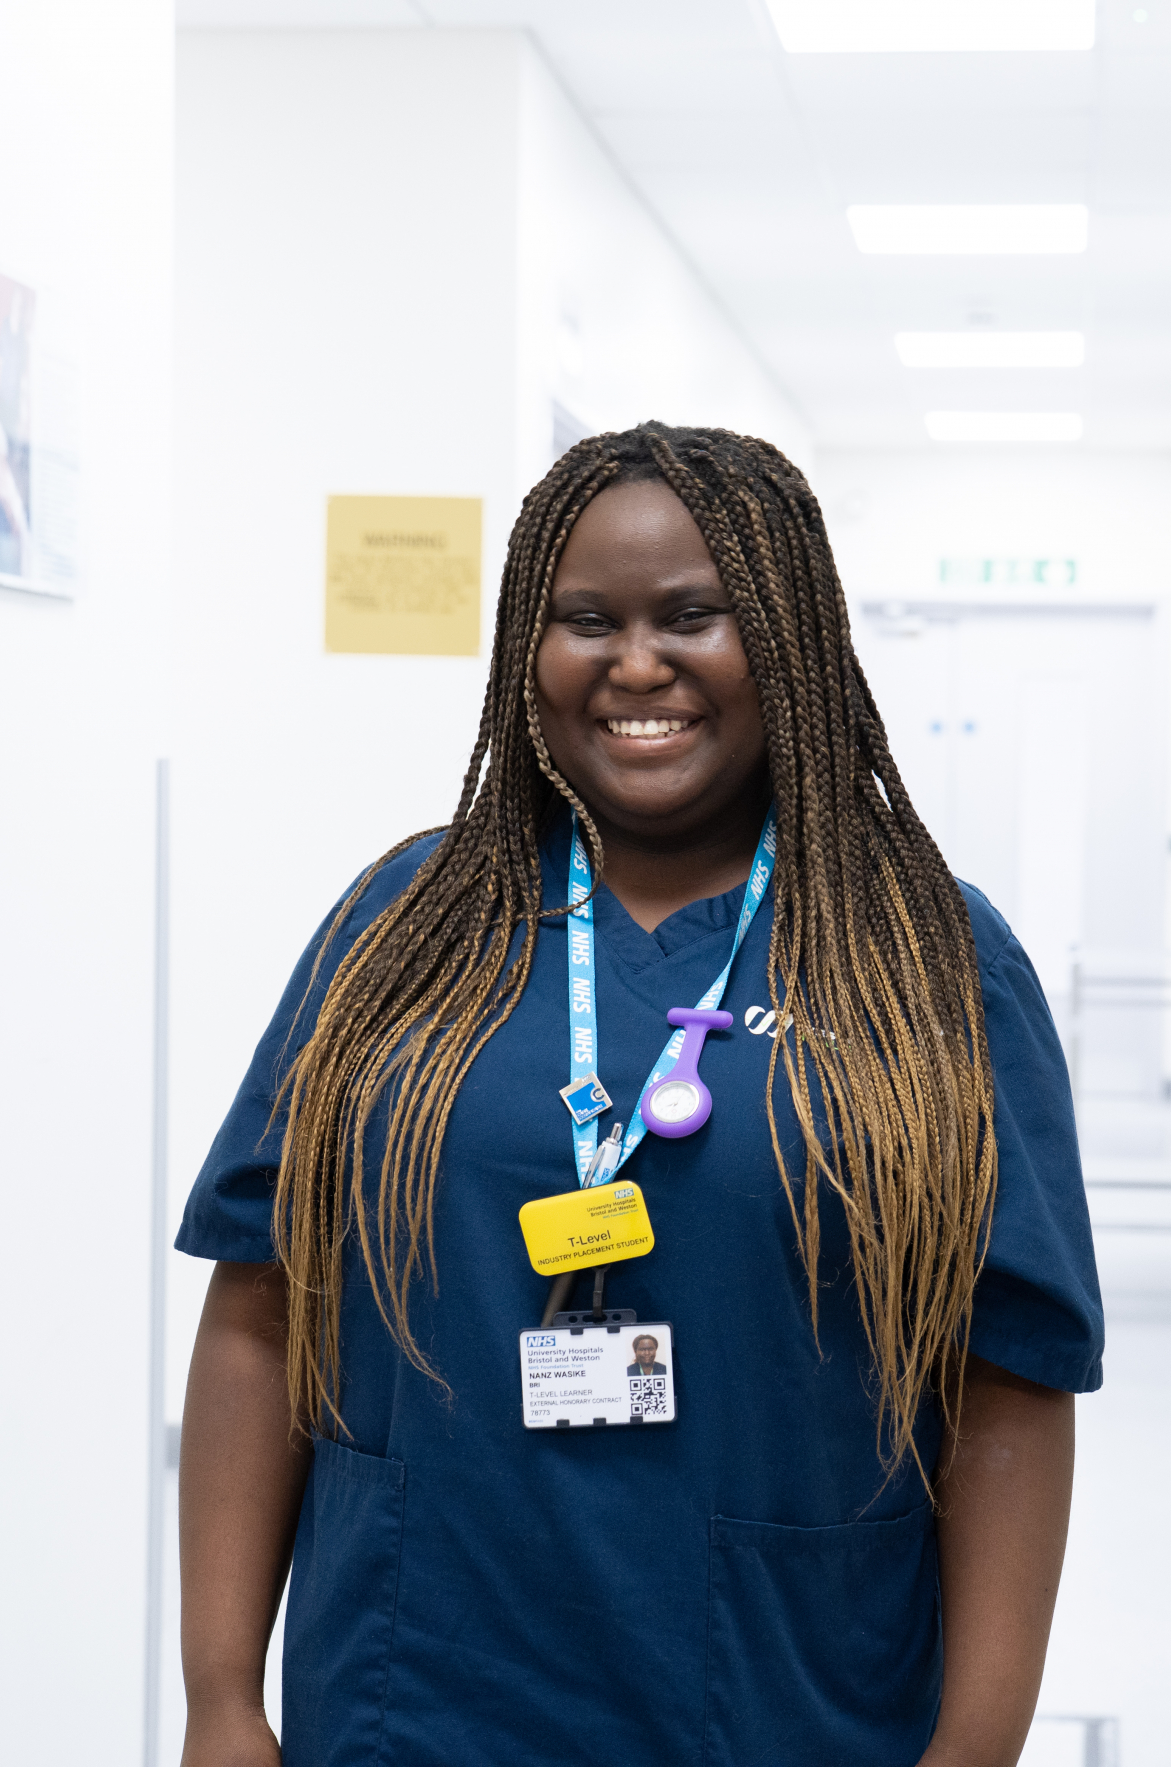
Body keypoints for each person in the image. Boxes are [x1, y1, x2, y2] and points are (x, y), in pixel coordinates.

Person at [176, 422, 1103, 1767]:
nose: (635, 664)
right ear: (524, 653)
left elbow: (1007, 1383)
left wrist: (974, 1753)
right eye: (583, 621)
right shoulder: (401, 929)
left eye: (692, 617)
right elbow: (256, 1313)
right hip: (413, 1696)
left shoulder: (925, 959)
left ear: (784, 640)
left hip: (782, 1702)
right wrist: (219, 1701)